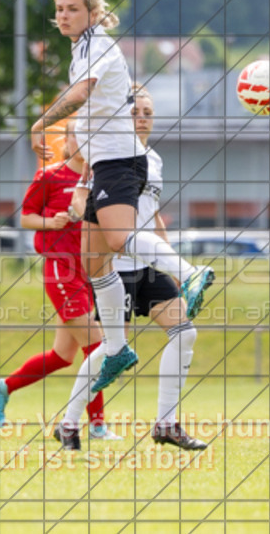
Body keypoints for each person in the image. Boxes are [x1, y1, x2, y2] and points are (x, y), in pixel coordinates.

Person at [25, 0, 215, 450]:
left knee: (179, 327)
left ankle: (165, 418)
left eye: (72, 8)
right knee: (97, 262)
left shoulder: (99, 57)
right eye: (59, 9)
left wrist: (42, 122)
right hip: (118, 241)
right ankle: (87, 396)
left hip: (141, 255)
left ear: (91, 13)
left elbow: (84, 95)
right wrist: (78, 179)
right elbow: (89, 116)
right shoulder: (87, 57)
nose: (63, 15)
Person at [57, 87, 207, 450]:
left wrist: (168, 261)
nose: (142, 118)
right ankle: (68, 422)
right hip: (115, 267)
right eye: (135, 111)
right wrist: (77, 211)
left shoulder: (153, 160)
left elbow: (152, 216)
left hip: (149, 266)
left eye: (148, 112)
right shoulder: (109, 155)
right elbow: (81, 193)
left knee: (184, 332)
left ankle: (167, 424)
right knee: (111, 349)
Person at [0, 123, 120, 441]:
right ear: (67, 140)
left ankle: (4, 386)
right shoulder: (50, 175)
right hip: (60, 269)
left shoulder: (98, 180)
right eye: (79, 134)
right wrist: (50, 222)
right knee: (98, 348)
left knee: (62, 356)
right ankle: (97, 425)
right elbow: (25, 217)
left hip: (89, 272)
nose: (86, 140)